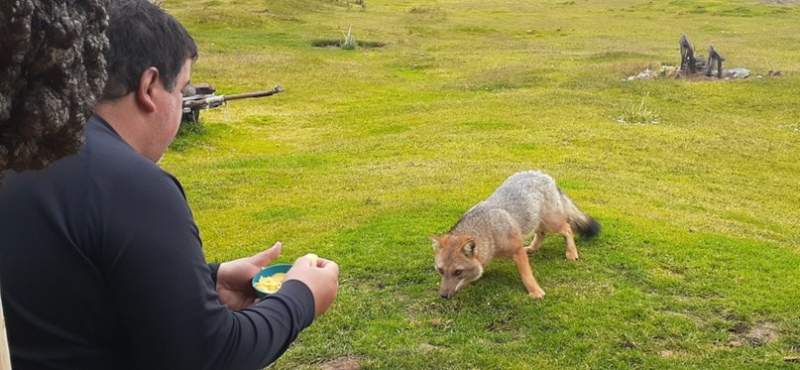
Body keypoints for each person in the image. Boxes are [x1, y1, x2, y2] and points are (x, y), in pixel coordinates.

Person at [0, 1, 339, 369]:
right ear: (148, 87)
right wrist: (301, 296)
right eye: (181, 91)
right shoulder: (135, 186)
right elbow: (211, 354)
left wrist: (207, 280)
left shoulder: (25, 151)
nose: (181, 104)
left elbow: (71, 285)